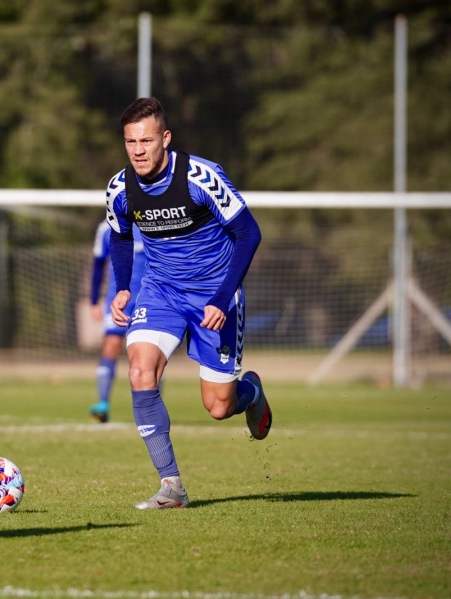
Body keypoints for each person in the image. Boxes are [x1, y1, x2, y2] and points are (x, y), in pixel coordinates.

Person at [106, 97, 272, 510]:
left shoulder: (201, 176)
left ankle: (251, 392)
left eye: (146, 141)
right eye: (130, 142)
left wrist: (222, 297)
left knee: (218, 406)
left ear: (165, 138)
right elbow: (120, 235)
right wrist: (123, 287)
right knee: (140, 371)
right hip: (161, 290)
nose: (138, 150)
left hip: (215, 295)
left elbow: (249, 233)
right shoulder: (120, 188)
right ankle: (172, 486)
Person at [87, 219, 145, 423]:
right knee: (110, 345)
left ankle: (150, 408)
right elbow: (98, 265)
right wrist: (94, 300)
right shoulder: (106, 228)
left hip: (149, 298)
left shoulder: (152, 220)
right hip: (118, 299)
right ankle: (103, 403)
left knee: (147, 353)